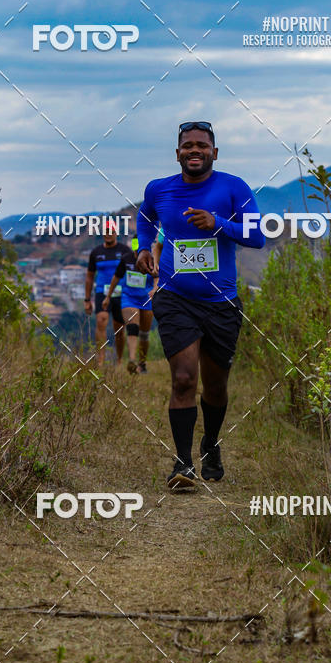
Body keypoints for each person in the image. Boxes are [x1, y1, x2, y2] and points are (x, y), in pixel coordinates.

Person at [135, 121, 265, 490]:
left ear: (214, 153)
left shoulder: (233, 187)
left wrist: (218, 223)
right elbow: (146, 218)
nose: (195, 151)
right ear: (177, 153)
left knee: (215, 387)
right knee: (183, 378)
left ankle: (210, 443)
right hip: (176, 299)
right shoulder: (159, 189)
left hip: (221, 303)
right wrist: (144, 248)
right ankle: (182, 463)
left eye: (202, 146)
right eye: (188, 146)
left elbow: (257, 237)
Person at [102, 235, 158, 374]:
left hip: (146, 300)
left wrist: (154, 289)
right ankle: (132, 361)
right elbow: (116, 278)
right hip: (129, 298)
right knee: (132, 327)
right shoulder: (126, 259)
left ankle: (142, 363)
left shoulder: (151, 260)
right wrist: (108, 297)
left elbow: (157, 277)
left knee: (144, 334)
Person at [84, 223, 129, 367]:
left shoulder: (124, 250)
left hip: (121, 293)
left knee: (119, 328)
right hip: (101, 293)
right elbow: (90, 276)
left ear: (117, 233)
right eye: (106, 231)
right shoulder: (96, 252)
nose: (109, 234)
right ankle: (101, 359)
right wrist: (87, 299)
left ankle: (120, 359)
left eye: (112, 231)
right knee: (101, 320)